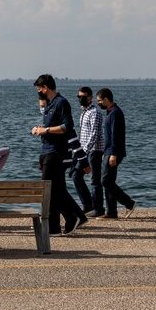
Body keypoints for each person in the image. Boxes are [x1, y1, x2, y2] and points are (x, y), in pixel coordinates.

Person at [31, 74, 88, 235]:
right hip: (47, 150)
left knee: (48, 188)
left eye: (39, 89)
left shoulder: (61, 103)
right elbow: (52, 126)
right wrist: (40, 129)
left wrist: (46, 130)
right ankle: (56, 226)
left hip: (56, 152)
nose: (38, 92)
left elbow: (67, 126)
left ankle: (73, 216)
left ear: (46, 88)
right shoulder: (50, 105)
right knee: (56, 188)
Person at [95, 88, 137, 219]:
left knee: (106, 181)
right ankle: (111, 212)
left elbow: (115, 136)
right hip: (108, 151)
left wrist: (113, 154)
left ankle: (129, 203)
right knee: (109, 180)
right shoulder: (110, 112)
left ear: (106, 99)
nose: (99, 103)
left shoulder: (115, 113)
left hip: (114, 152)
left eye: (100, 101)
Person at [71, 86, 105, 217]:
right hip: (84, 150)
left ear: (90, 97)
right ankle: (88, 205)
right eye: (79, 97)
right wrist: (77, 151)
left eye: (83, 97)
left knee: (94, 180)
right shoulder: (84, 112)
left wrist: (84, 152)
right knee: (75, 175)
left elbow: (94, 135)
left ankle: (98, 209)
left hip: (94, 151)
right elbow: (83, 134)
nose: (80, 99)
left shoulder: (94, 113)